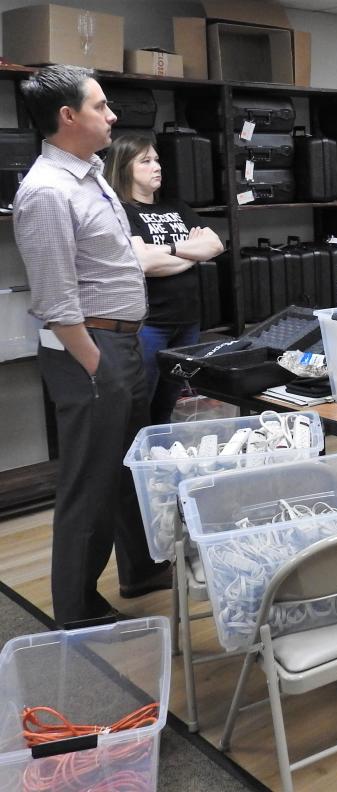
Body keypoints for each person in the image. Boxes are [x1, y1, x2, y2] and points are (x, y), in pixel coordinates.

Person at [13, 65, 170, 625]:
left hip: (118, 345)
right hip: (90, 352)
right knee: (90, 483)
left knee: (128, 468)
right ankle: (75, 610)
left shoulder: (90, 173)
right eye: (101, 106)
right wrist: (97, 366)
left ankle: (141, 568)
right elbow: (57, 301)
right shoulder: (47, 193)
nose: (112, 116)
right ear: (68, 116)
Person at [104, 135, 224, 425]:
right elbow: (143, 262)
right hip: (150, 325)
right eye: (145, 161)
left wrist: (167, 249)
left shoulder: (177, 207)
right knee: (140, 402)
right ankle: (129, 468)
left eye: (156, 160)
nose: (156, 166)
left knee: (169, 400)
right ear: (124, 168)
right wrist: (192, 253)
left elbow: (216, 245)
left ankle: (159, 463)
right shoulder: (121, 211)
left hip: (187, 324)